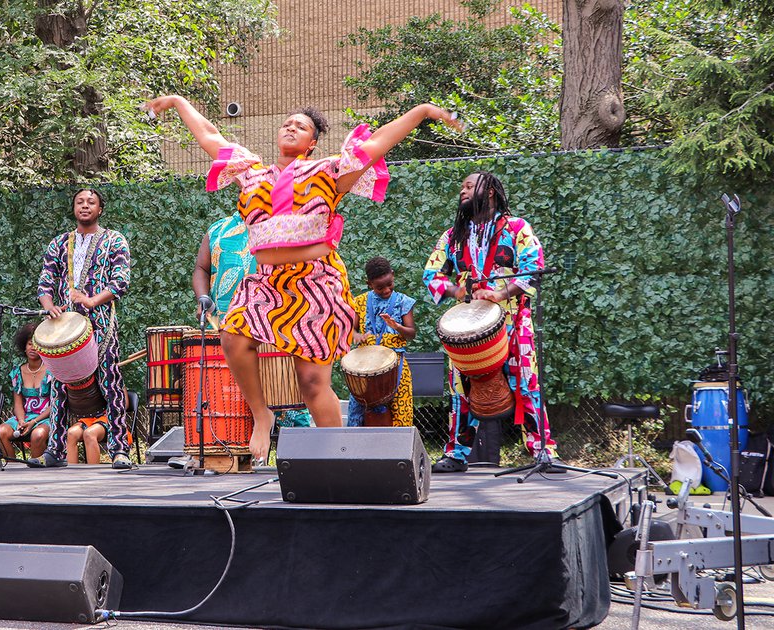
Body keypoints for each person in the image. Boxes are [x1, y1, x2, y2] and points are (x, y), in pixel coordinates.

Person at [147, 94, 460, 461]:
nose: (291, 126)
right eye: (287, 123)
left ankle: (342, 459)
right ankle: (262, 415)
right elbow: (211, 136)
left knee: (313, 385)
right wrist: (179, 101)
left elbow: (377, 143)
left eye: (302, 126)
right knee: (231, 333)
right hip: (267, 283)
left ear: (312, 142)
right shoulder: (252, 173)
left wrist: (422, 111)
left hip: (317, 286)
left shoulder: (328, 172)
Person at [422, 171, 557, 473]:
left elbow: (534, 267)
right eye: (462, 187)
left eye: (470, 185)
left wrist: (501, 293)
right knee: (461, 389)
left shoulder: (517, 228)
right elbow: (431, 274)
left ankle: (542, 451)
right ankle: (457, 454)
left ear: (491, 190)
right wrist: (458, 290)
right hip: (469, 328)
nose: (463, 191)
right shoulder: (453, 236)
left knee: (526, 382)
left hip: (513, 320)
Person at [30, 189, 133, 469]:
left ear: (100, 209)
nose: (85, 206)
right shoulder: (60, 243)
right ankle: (55, 450)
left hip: (101, 326)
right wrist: (49, 305)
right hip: (63, 329)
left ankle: (120, 450)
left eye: (91, 202)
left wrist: (91, 300)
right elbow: (45, 282)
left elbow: (121, 281)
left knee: (110, 385)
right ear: (73, 208)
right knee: (59, 387)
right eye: (80, 202)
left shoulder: (114, 240)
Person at [191, 212, 312, 429]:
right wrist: (203, 297)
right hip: (227, 327)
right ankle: (240, 453)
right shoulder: (218, 229)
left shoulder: (283, 226)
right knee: (233, 410)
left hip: (275, 327)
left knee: (288, 407)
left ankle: (299, 458)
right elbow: (202, 268)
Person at [348, 256, 416, 426]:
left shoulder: (403, 301)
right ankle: (356, 446)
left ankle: (399, 448)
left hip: (396, 365)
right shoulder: (360, 302)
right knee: (358, 408)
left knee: (402, 409)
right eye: (379, 288)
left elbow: (411, 333)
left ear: (392, 275)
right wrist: (356, 336)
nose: (386, 290)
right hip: (364, 367)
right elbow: (351, 329)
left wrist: (397, 326)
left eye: (389, 285)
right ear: (369, 283)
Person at [0, 321, 55, 460]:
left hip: (46, 417)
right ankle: (13, 467)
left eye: (37, 344)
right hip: (24, 417)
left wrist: (34, 422)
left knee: (38, 434)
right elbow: (17, 404)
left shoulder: (52, 371)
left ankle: (35, 469)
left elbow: (55, 404)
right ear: (24, 346)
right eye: (30, 344)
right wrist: (22, 421)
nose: (33, 348)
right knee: (0, 432)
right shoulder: (18, 372)